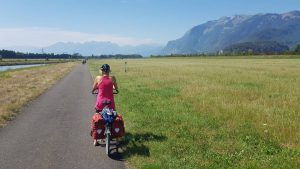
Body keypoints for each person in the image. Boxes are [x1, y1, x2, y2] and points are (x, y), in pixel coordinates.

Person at [92, 64, 118, 146]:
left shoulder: (98, 78)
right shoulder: (112, 78)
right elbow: (116, 88)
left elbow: (94, 87)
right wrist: (114, 88)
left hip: (100, 103)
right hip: (110, 103)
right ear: (109, 71)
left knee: (97, 117)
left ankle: (96, 140)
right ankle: (116, 138)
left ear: (102, 71)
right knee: (113, 118)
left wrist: (94, 90)